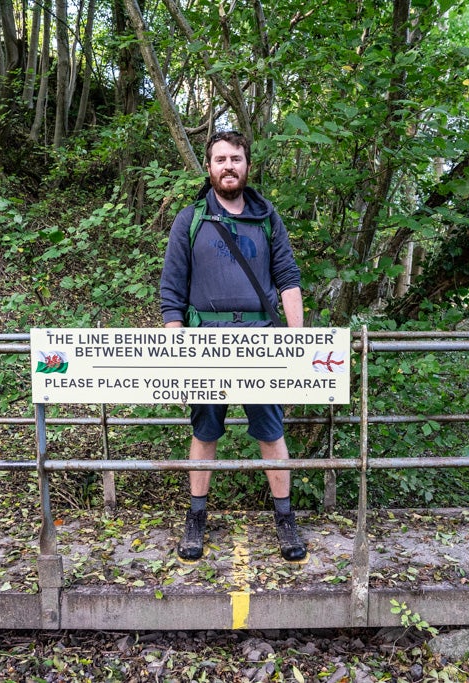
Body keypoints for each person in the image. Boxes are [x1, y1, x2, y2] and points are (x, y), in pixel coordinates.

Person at [159, 130, 307, 563]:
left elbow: (288, 279)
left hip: (261, 339)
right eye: (220, 158)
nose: (228, 166)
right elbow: (172, 289)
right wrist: (177, 347)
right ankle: (196, 518)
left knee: (271, 431)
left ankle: (285, 519)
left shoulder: (266, 216)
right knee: (204, 431)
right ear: (209, 167)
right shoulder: (191, 219)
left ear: (247, 165)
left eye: (236, 158)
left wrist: (296, 344)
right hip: (205, 341)